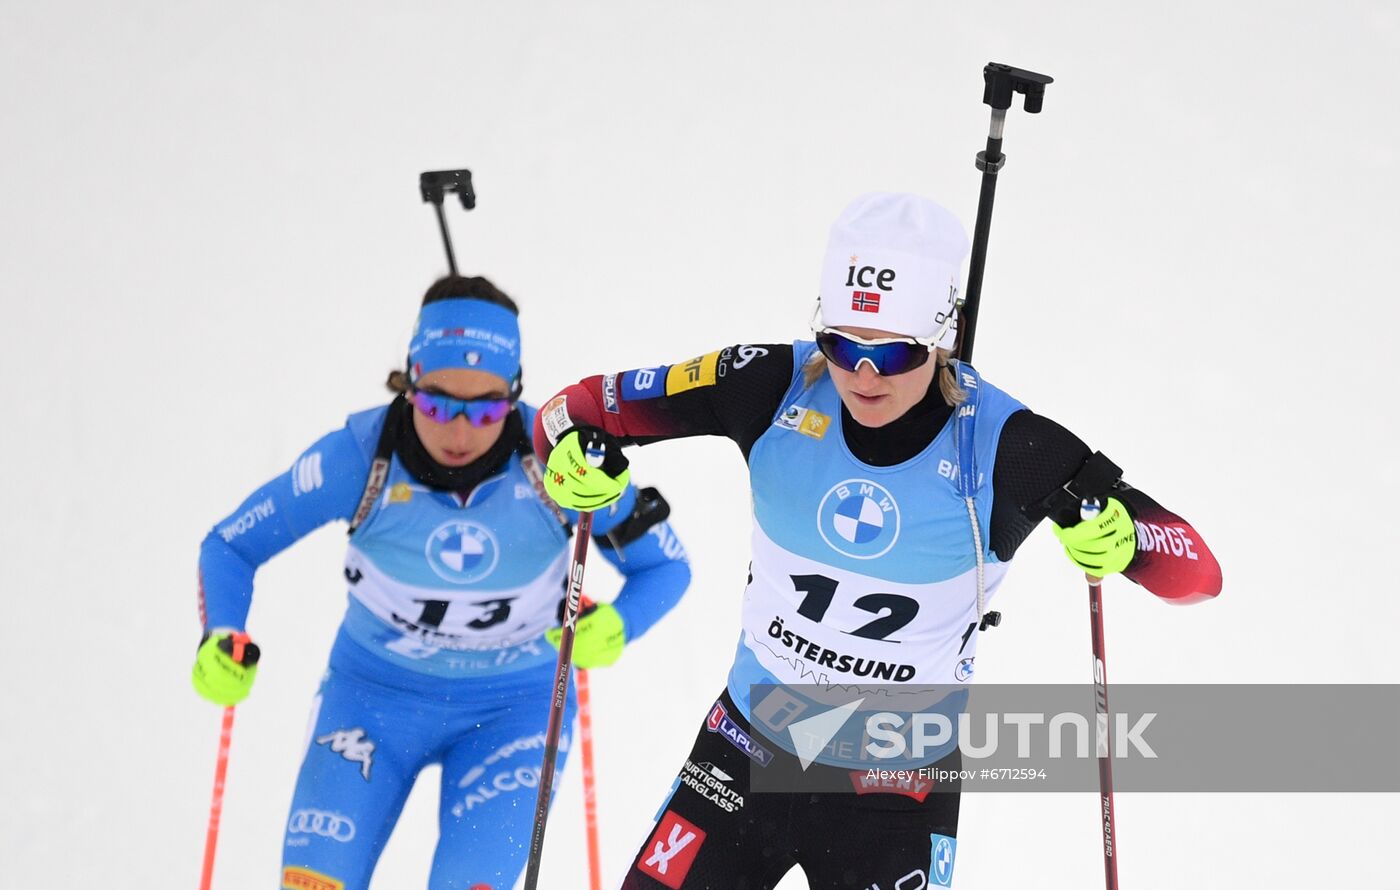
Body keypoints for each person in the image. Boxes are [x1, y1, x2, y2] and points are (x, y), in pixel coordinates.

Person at [533, 193, 1221, 889]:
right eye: (841, 346)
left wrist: (1127, 538)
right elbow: (575, 411)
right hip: (747, 747)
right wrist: (568, 454)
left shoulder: (1010, 446)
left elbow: (1198, 571)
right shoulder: (769, 384)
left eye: (892, 353)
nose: (864, 375)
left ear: (940, 338)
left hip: (897, 780)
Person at [192, 275, 692, 890]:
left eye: (485, 408)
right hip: (372, 699)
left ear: (514, 395)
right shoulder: (358, 458)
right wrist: (221, 634)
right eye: (436, 404)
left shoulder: (560, 459)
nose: (460, 432)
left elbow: (665, 566)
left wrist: (616, 625)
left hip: (516, 712)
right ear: (408, 383)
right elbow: (231, 545)